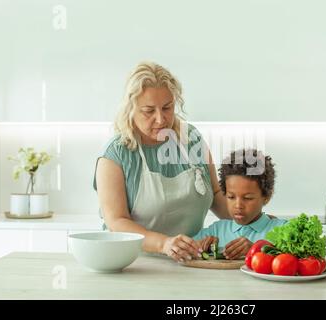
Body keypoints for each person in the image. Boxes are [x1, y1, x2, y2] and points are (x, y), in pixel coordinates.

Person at [94, 61, 230, 262]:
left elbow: (217, 195)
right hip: (133, 263)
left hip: (190, 262)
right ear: (131, 109)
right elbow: (116, 221)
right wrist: (164, 244)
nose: (161, 119)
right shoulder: (116, 154)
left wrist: (255, 221)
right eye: (149, 111)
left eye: (167, 107)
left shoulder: (191, 138)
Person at [193, 149, 287, 260]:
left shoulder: (282, 230)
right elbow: (188, 248)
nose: (238, 205)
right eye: (231, 197)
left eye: (248, 198)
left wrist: (256, 249)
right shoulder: (217, 230)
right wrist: (203, 247)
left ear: (266, 197)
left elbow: (300, 260)